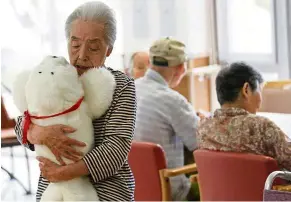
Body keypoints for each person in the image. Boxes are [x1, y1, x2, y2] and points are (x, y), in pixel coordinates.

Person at [14, 1, 136, 201]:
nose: (81, 55)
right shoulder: (53, 73)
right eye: (75, 44)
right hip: (53, 190)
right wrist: (37, 132)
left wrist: (63, 173)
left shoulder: (121, 85)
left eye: (94, 47)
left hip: (107, 191)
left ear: (109, 50)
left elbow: (117, 148)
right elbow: (22, 121)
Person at [134, 37, 200, 201]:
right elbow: (201, 142)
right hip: (169, 193)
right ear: (181, 68)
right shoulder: (173, 100)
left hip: (130, 190)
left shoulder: (126, 90)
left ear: (150, 62)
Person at [197, 62, 291, 170]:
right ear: (246, 90)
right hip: (261, 187)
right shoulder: (260, 126)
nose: (261, 100)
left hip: (217, 187)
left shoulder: (203, 127)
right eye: (259, 90)